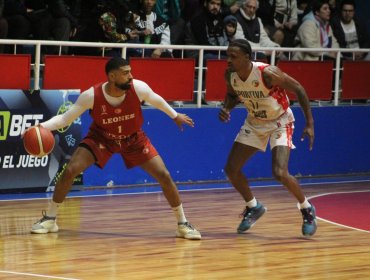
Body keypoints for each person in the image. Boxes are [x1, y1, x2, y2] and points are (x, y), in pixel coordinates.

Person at [29, 57, 201, 240]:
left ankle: (182, 224)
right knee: (70, 170)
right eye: (126, 73)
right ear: (112, 76)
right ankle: (50, 219)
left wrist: (175, 116)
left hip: (133, 138)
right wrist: (40, 127)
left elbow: (156, 100)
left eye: (130, 71)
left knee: (164, 175)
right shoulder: (91, 95)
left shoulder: (138, 88)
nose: (131, 76)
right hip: (101, 137)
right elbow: (65, 119)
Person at [219, 39, 317, 237]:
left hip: (280, 121)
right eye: (227, 55)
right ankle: (253, 207)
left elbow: (299, 88)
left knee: (279, 172)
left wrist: (309, 123)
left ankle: (306, 209)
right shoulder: (231, 75)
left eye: (233, 56)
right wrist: (227, 108)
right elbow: (232, 95)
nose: (228, 60)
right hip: (254, 122)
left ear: (247, 57)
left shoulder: (267, 73)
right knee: (231, 169)